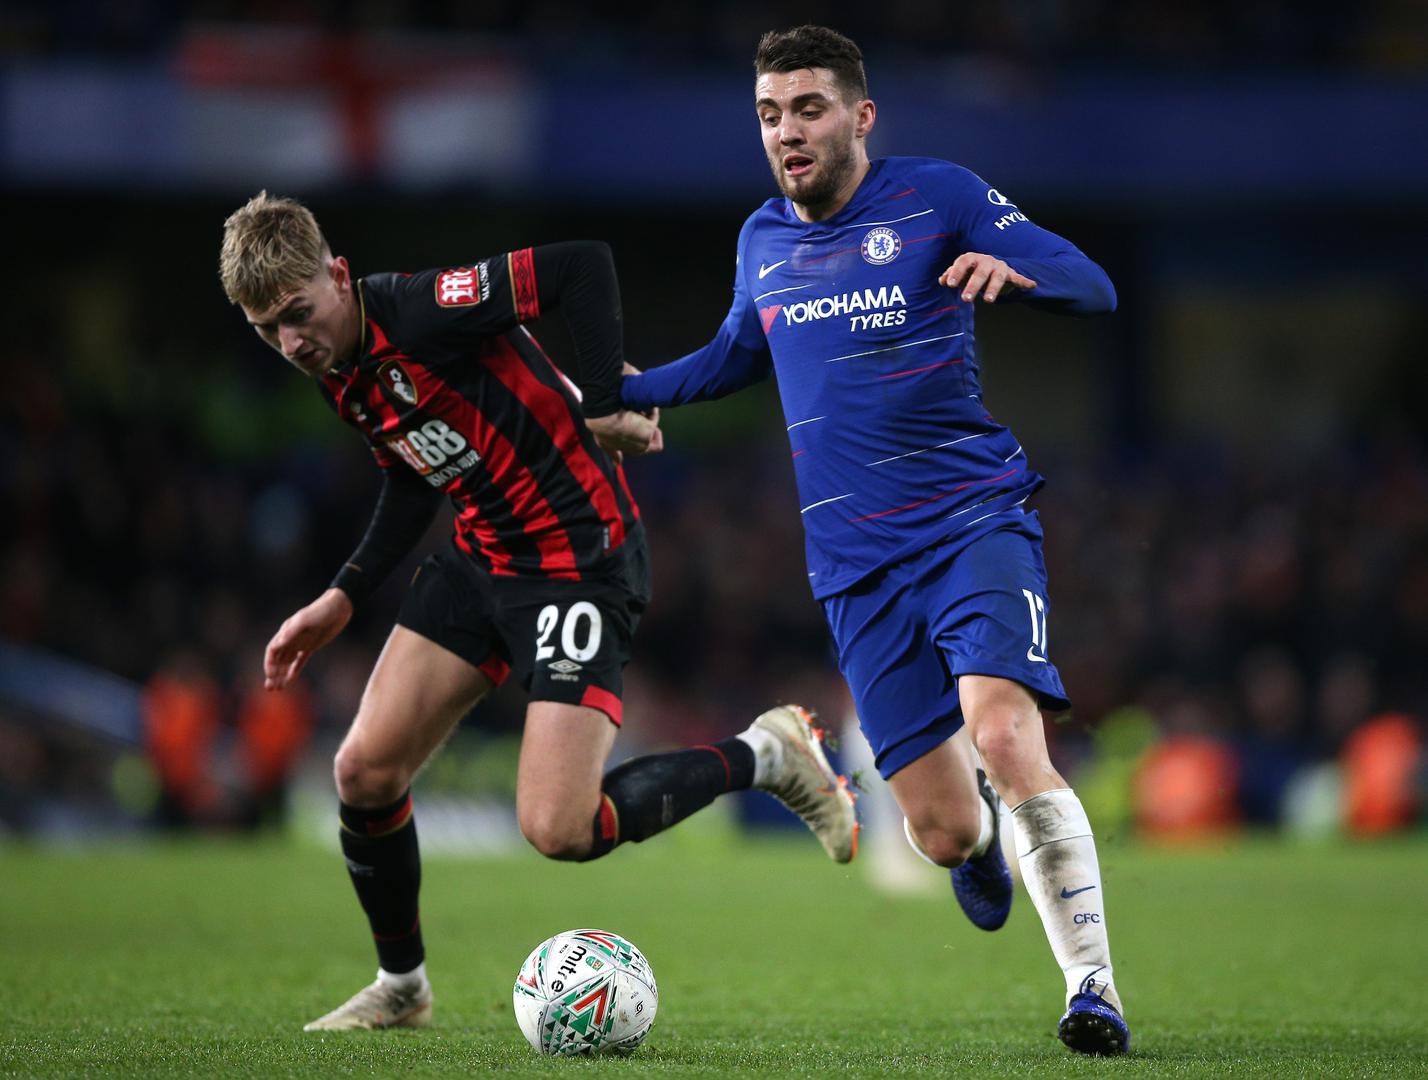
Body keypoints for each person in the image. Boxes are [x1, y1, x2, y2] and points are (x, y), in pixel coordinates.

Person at [218, 193, 857, 1032]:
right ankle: (403, 989)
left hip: (576, 562)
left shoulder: (421, 309)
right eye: (268, 330)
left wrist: (602, 401)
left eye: (298, 314)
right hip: (482, 556)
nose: (291, 342)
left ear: (338, 276)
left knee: (559, 828)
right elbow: (414, 471)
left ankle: (766, 754)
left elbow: (580, 265)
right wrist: (343, 594)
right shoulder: (340, 365)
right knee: (363, 773)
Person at [621, 26, 1129, 1056]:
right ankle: (977, 848)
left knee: (1004, 735)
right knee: (940, 830)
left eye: (807, 109)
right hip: (856, 567)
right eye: (769, 114)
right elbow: (733, 356)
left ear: (860, 116)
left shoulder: (938, 195)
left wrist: (1012, 270)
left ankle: (1094, 991)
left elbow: (1093, 284)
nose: (787, 132)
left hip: (972, 521)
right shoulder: (763, 238)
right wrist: (624, 391)